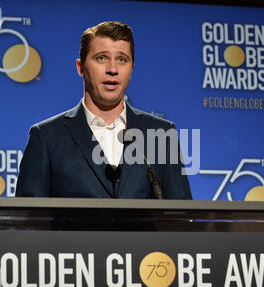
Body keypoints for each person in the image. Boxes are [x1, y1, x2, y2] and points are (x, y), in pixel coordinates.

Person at [16, 21, 192, 199]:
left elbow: (181, 217)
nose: (113, 69)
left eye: (122, 59)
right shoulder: (47, 137)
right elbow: (29, 218)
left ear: (131, 68)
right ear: (80, 68)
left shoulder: (161, 133)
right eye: (101, 58)